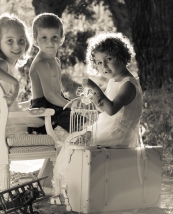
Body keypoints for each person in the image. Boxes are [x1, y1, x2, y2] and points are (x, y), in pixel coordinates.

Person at [53, 32, 143, 194]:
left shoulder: (128, 85)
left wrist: (94, 87)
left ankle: (85, 187)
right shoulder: (114, 81)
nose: (104, 67)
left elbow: (111, 109)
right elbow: (105, 108)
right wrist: (95, 101)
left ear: (121, 56)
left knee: (79, 145)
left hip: (119, 133)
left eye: (108, 59)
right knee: (75, 140)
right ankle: (79, 185)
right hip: (109, 126)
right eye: (99, 63)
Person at [0, 13, 44, 137]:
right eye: (10, 41)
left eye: (21, 40)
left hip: (8, 121)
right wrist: (15, 82)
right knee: (54, 124)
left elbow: (10, 105)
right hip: (9, 127)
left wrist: (31, 103)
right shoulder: (1, 64)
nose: (17, 45)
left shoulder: (10, 68)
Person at [27, 13, 72, 134]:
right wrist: (70, 105)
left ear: (61, 39)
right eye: (44, 38)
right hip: (44, 109)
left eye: (54, 37)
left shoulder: (56, 61)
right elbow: (50, 95)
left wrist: (70, 102)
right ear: (35, 40)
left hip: (54, 106)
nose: (50, 42)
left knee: (84, 116)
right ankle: (66, 144)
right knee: (78, 122)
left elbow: (57, 92)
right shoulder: (41, 63)